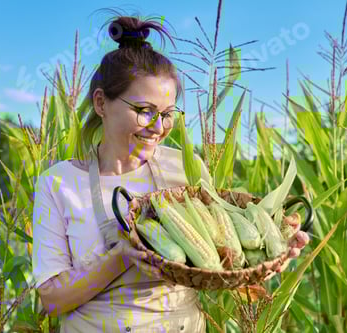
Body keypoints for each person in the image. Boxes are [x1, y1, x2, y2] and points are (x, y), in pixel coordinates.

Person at [32, 14, 309, 333]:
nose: (159, 127)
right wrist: (123, 256)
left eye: (167, 114)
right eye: (144, 111)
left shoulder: (184, 170)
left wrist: (270, 251)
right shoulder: (59, 183)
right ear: (101, 103)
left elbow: (217, 264)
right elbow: (52, 299)